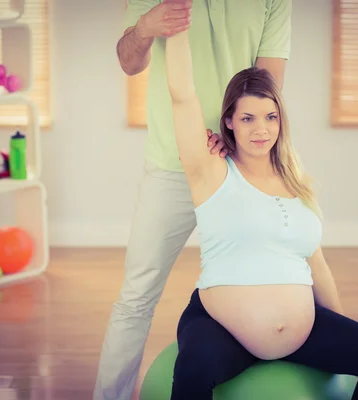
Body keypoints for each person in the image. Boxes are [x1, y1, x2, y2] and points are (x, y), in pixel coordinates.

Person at [163, 4, 358, 399]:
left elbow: (317, 263)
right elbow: (181, 95)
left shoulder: (295, 178)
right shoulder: (212, 172)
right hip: (223, 330)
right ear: (228, 122)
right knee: (193, 368)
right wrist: (174, 27)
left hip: (301, 332)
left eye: (270, 117)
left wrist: (340, 330)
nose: (261, 130)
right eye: (248, 119)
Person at [94, 1, 292, 399]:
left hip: (239, 162)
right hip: (170, 163)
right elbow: (129, 62)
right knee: (136, 296)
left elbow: (267, 82)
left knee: (271, 280)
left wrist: (232, 135)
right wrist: (145, 27)